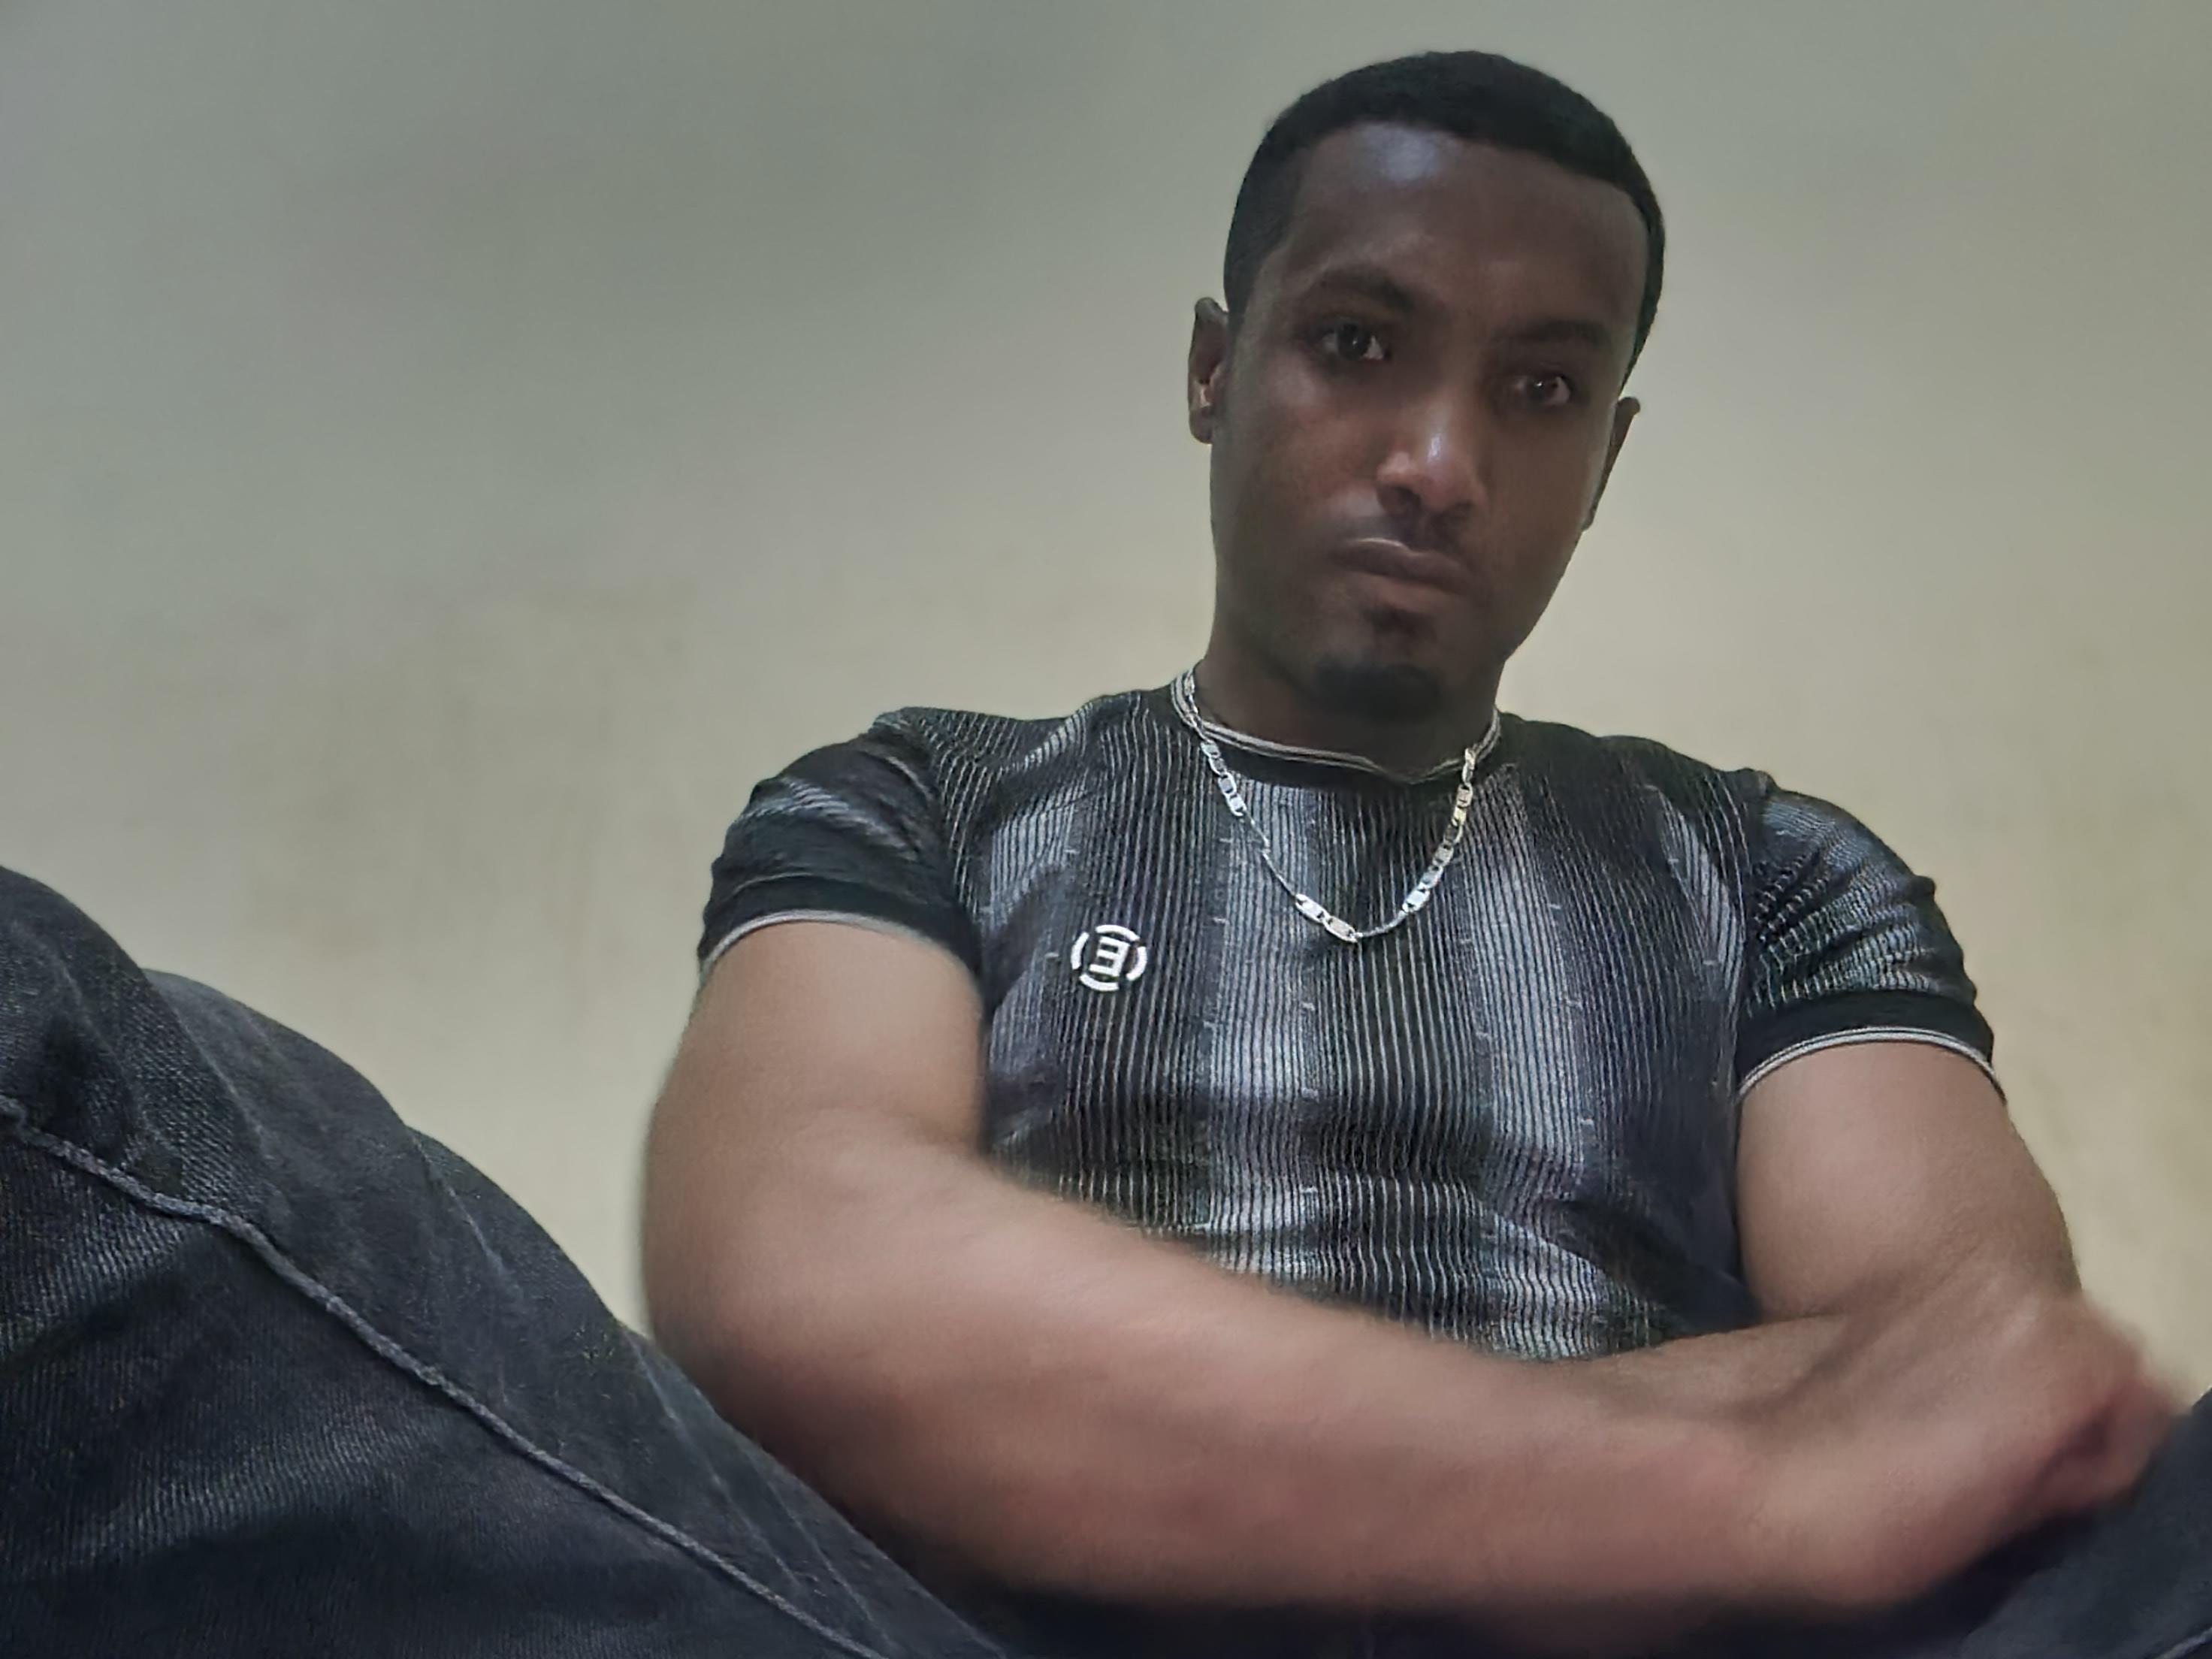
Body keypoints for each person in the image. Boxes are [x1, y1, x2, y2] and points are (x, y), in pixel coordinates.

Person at [3, 47, 2206, 1659]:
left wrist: (1084, 1393)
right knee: (47, 1068)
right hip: (915, 1641)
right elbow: (803, 1279)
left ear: (1609, 454)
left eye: (1541, 392)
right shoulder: (920, 800)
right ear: (1214, 371)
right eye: (1360, 345)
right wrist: (1722, 1479)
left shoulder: (1768, 864)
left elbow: (1973, 1376)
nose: (1440, 459)